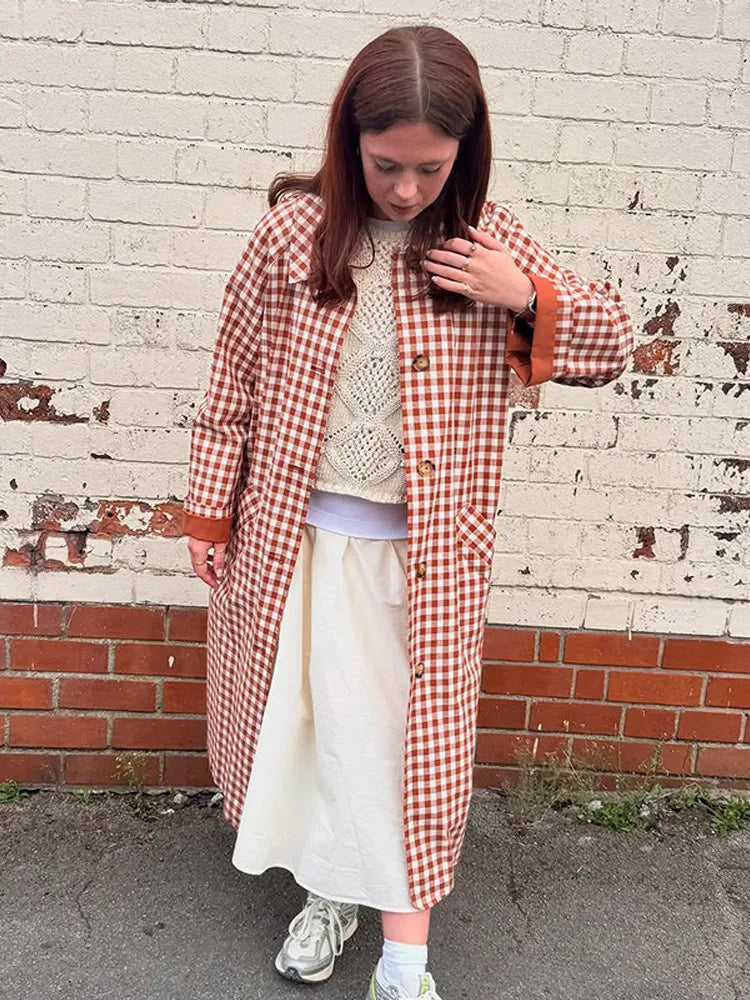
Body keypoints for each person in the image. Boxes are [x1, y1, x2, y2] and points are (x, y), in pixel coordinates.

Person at [182, 23, 634, 1000]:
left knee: (401, 749)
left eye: (430, 168)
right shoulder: (293, 237)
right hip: (297, 545)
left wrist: (526, 295)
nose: (405, 189)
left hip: (421, 563)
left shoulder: (484, 244)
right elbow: (232, 378)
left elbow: (614, 342)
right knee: (309, 733)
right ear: (350, 140)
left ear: (464, 155)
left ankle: (406, 961)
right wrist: (209, 514)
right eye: (386, 164)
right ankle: (328, 897)